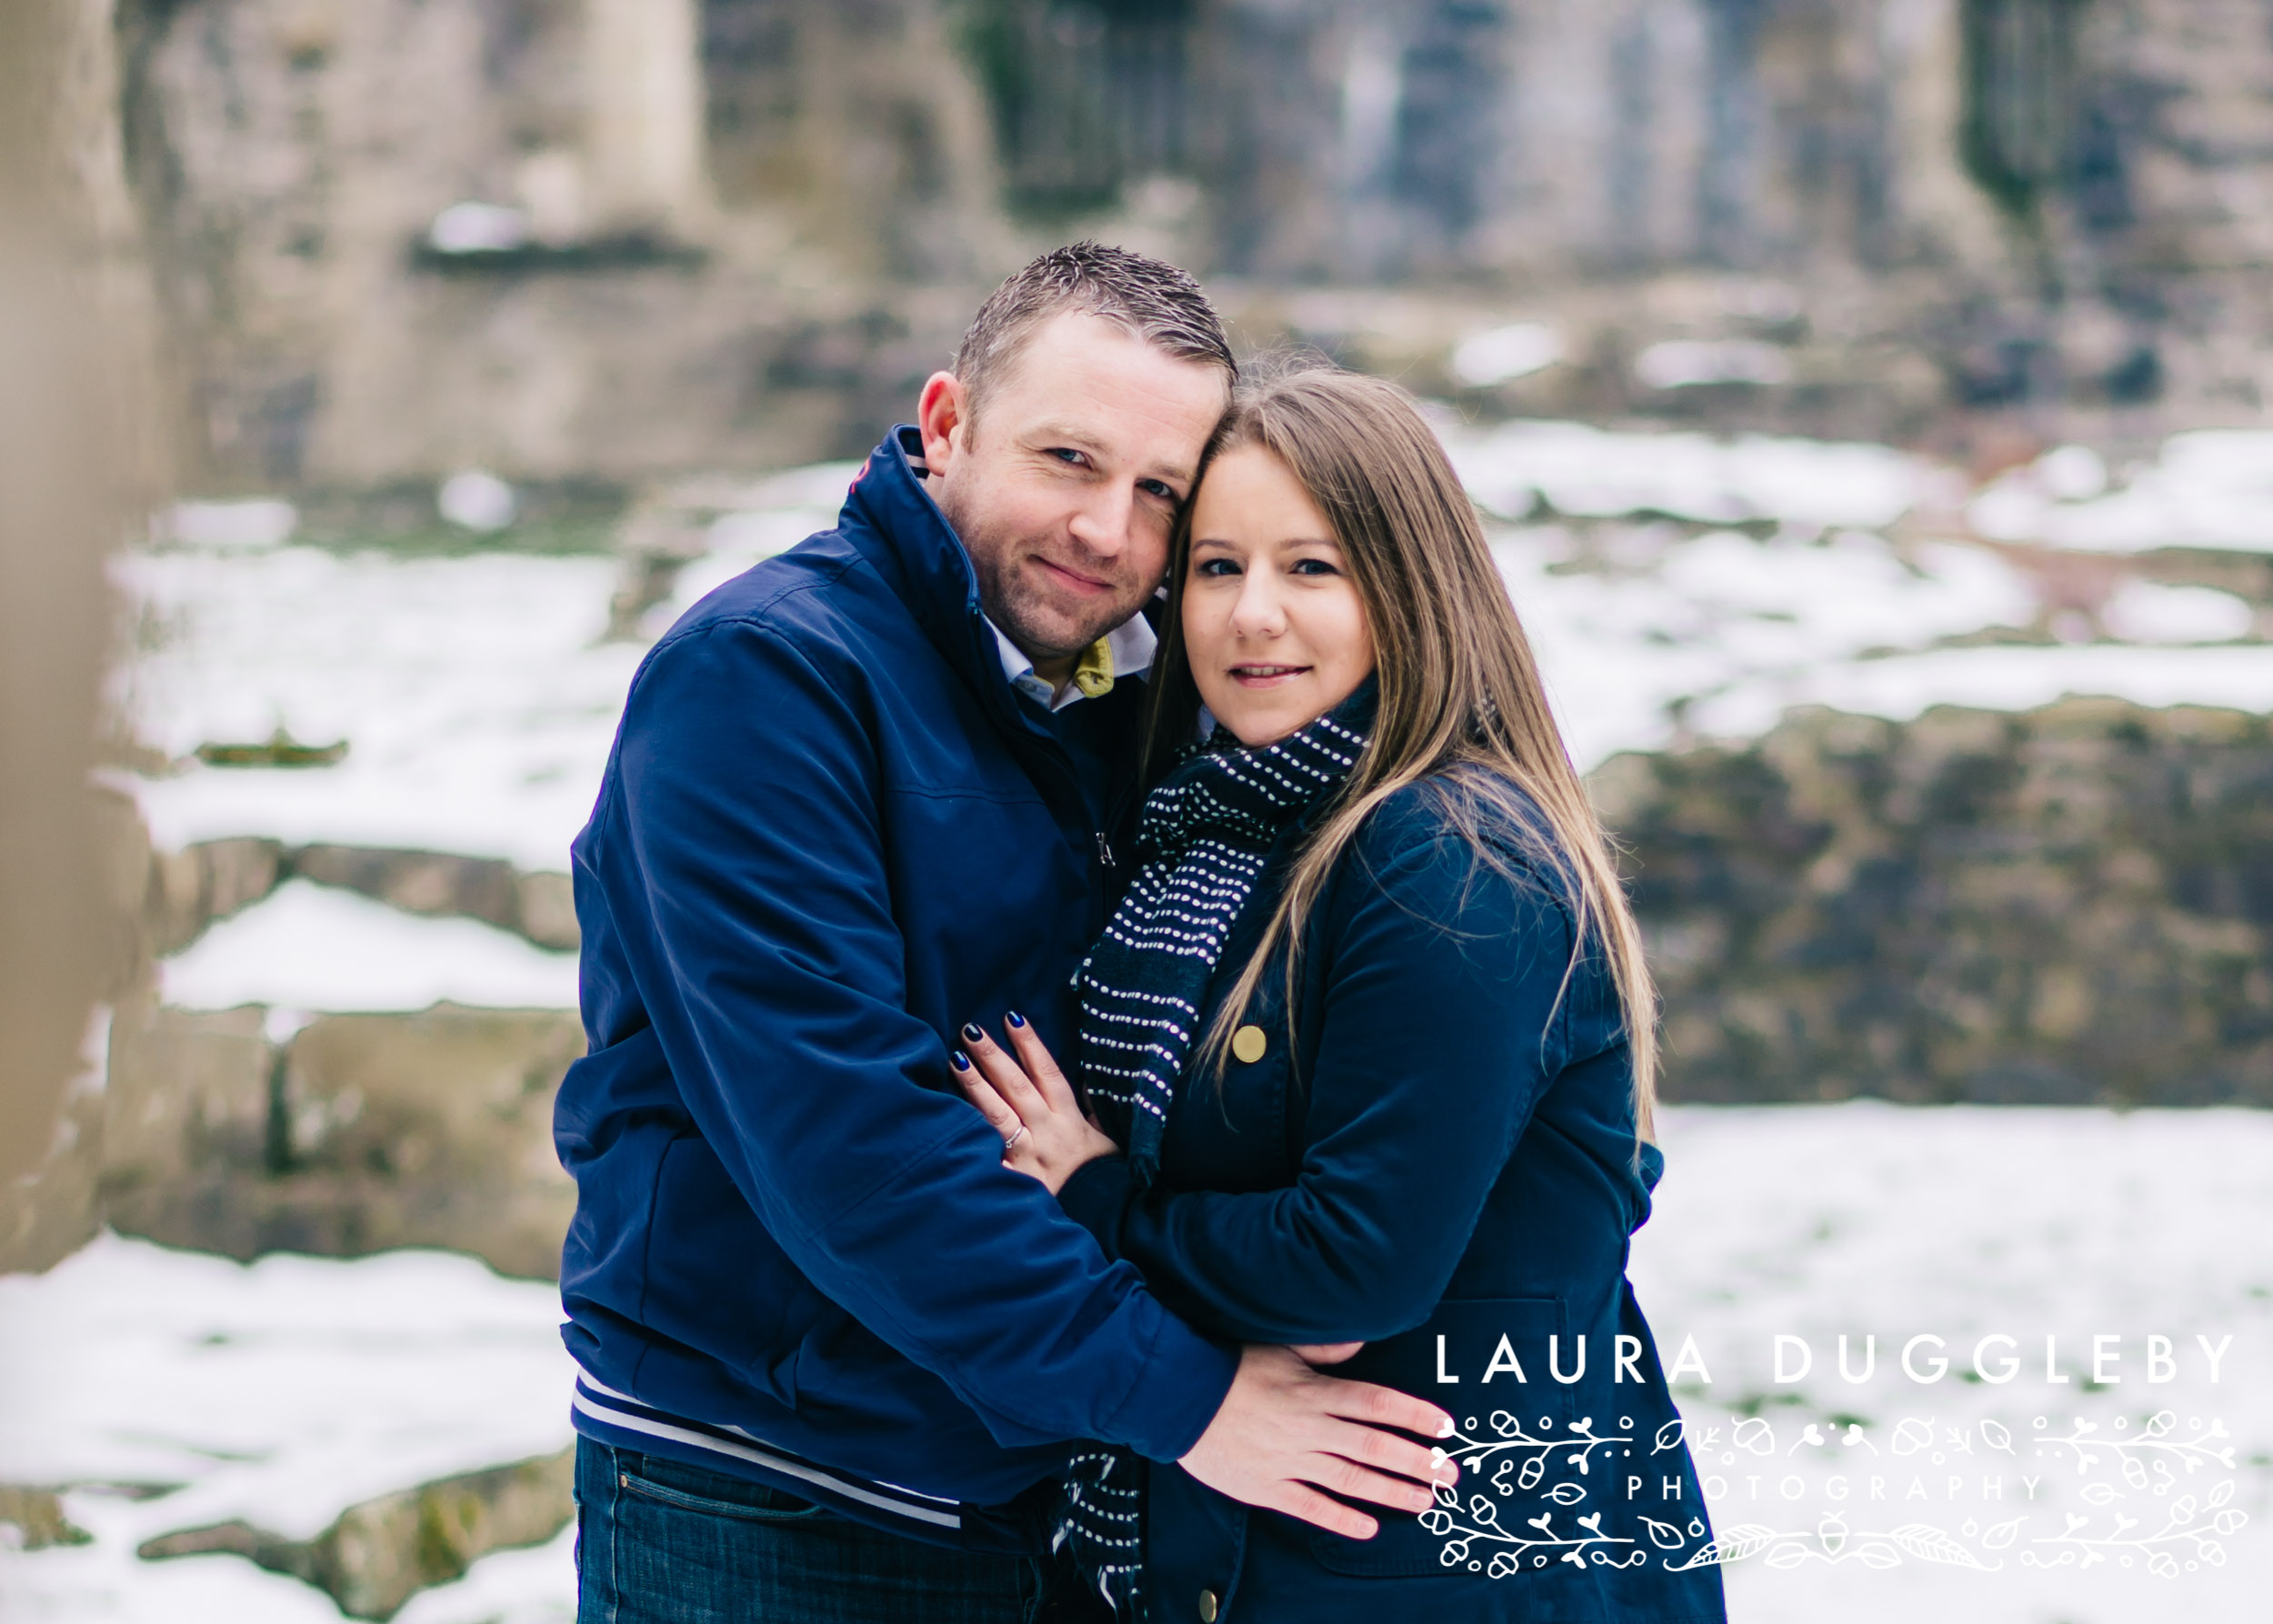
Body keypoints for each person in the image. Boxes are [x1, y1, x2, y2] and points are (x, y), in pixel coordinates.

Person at [554, 248, 1457, 1624]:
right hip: (774, 1492)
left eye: (1160, 492)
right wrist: (1190, 1395)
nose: (1109, 529)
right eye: (1068, 458)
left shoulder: (1131, 701)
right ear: (946, 422)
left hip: (1046, 1488)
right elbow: (856, 1147)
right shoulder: (765, 680)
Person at [955, 364, 1728, 1621]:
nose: (1253, 614)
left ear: (1411, 589)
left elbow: (1349, 1269)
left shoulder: (1450, 857)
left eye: (1312, 568)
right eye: (1216, 568)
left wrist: (1096, 1195)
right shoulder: (1214, 842)